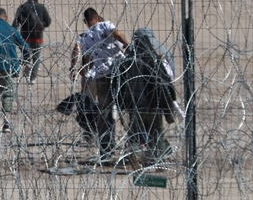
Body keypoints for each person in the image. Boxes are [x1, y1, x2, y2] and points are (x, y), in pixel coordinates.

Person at [72, 8, 129, 163]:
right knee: (126, 106)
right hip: (119, 71)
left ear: (85, 21)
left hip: (102, 76)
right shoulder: (104, 25)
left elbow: (87, 59)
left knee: (105, 112)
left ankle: (106, 150)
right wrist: (128, 45)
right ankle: (133, 143)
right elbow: (117, 34)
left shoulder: (85, 37)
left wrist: (81, 72)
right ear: (97, 18)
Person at [113, 27, 177, 163]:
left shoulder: (127, 63)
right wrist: (169, 107)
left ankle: (136, 156)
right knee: (158, 133)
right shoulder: (156, 62)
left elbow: (119, 85)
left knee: (135, 134)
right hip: (154, 106)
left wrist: (121, 104)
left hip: (135, 107)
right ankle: (160, 160)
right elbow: (165, 84)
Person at [12, 0, 52, 83]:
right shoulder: (41, 7)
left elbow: (15, 24)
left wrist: (16, 35)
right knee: (36, 58)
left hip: (24, 37)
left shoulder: (22, 8)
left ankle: (22, 67)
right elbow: (48, 21)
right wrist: (40, 27)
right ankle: (32, 78)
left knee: (25, 56)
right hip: (37, 37)